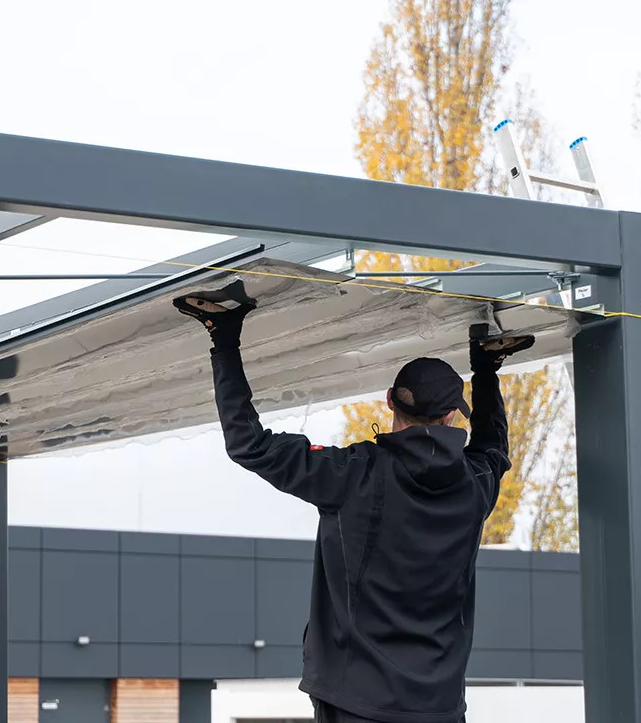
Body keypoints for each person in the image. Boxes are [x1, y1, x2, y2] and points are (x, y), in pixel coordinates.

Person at [175, 282, 531, 723]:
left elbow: (250, 444)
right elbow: (493, 449)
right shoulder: (474, 486)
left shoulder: (353, 472)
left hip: (354, 701)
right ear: (451, 416)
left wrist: (224, 337)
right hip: (437, 707)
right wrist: (487, 369)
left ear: (389, 401)